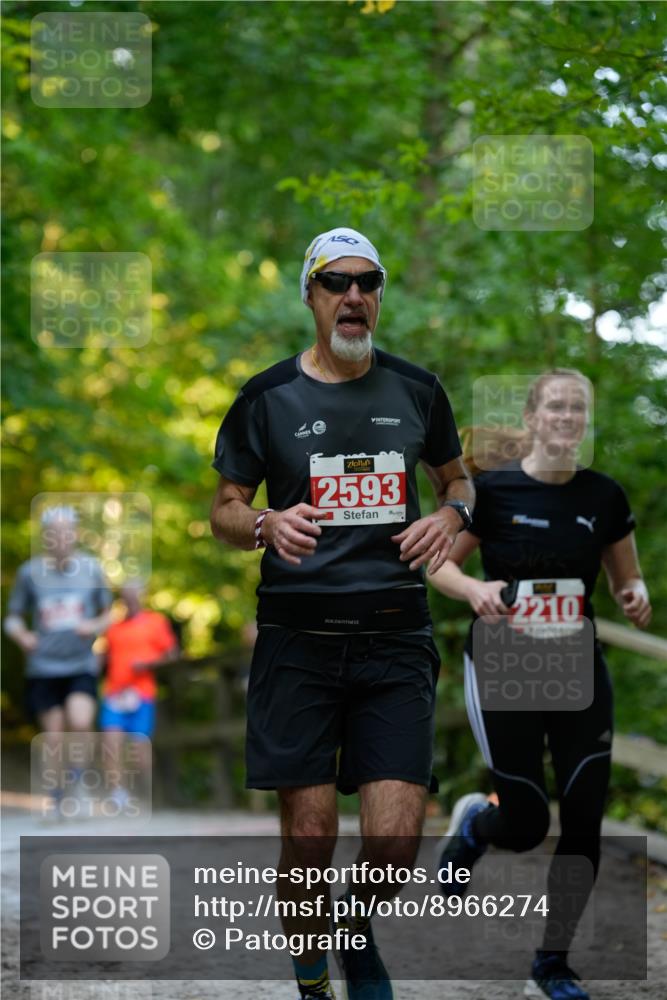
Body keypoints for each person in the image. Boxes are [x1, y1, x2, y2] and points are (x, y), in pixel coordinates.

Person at [210, 226, 474, 1000]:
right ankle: (312, 982)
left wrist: (451, 519)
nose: (353, 295)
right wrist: (263, 523)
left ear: (380, 295)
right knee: (311, 835)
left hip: (394, 638)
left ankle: (353, 927)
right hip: (299, 642)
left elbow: (458, 484)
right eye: (336, 282)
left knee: (394, 841)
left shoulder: (417, 389)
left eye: (368, 281)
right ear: (311, 297)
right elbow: (223, 509)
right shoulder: (266, 397)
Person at [429, 369, 652, 1000]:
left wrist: (635, 596)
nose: (567, 417)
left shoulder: (603, 496)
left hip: (576, 664)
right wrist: (474, 590)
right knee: (525, 822)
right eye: (556, 406)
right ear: (532, 418)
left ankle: (552, 963)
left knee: (584, 818)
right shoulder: (493, 493)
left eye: (578, 408)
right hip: (503, 660)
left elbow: (626, 579)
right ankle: (477, 827)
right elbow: (438, 564)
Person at [4, 505, 112, 736]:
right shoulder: (29, 573)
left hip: (82, 664)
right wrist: (22, 635)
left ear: (75, 533)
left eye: (66, 531)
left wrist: (93, 625)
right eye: (54, 532)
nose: (60, 538)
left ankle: (79, 772)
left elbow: (109, 613)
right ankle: (59, 773)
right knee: (53, 737)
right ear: (45, 536)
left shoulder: (92, 569)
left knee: (80, 722)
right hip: (43, 667)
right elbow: (12, 618)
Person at [99, 580, 179, 806]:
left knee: (140, 751)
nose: (130, 599)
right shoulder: (113, 628)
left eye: (134, 594)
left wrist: (147, 664)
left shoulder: (156, 622)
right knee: (110, 744)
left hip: (142, 694)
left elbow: (172, 654)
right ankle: (118, 794)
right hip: (114, 693)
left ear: (142, 596)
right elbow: (103, 657)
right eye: (126, 595)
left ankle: (145, 794)